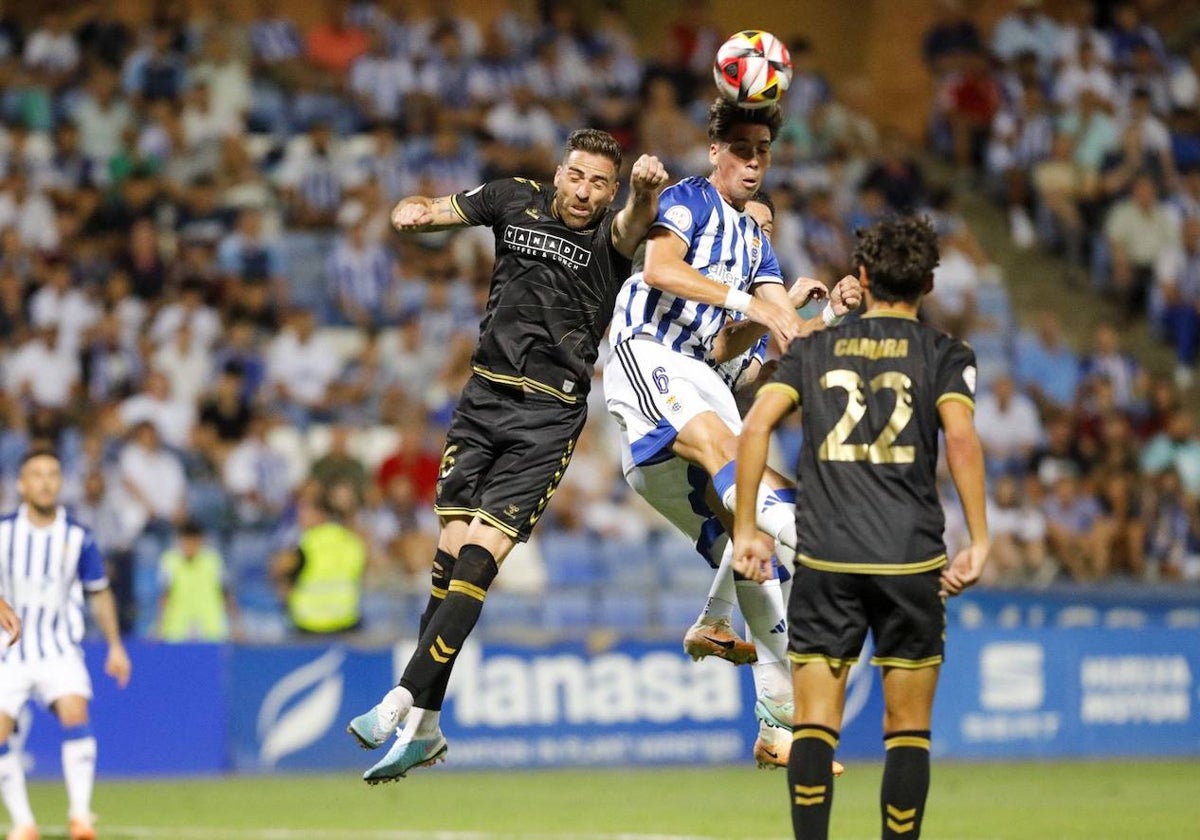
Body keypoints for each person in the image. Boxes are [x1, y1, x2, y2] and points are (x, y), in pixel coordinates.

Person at [346, 129, 668, 783]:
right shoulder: (512, 199)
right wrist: (411, 211)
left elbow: (637, 223)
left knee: (478, 558)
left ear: (610, 192)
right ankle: (429, 730)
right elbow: (438, 209)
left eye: (599, 183)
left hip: (548, 413)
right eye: (577, 176)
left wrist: (640, 193)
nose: (584, 191)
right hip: (483, 400)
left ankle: (400, 701)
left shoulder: (614, 236)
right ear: (558, 173)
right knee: (447, 559)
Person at [732, 216, 989, 840]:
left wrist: (746, 527)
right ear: (929, 282)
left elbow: (757, 426)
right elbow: (959, 437)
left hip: (827, 561)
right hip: (910, 560)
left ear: (864, 277)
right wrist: (979, 539)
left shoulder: (814, 350)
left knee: (816, 725)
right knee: (907, 731)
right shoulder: (946, 356)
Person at [0, 449, 133, 840]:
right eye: (36, 474)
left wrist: (115, 645)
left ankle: (80, 818)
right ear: (21, 484)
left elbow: (99, 591)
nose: (44, 481)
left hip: (58, 646)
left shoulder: (77, 537)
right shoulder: (3, 532)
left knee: (76, 711)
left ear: (60, 483)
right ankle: (24, 824)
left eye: (52, 474)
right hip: (9, 651)